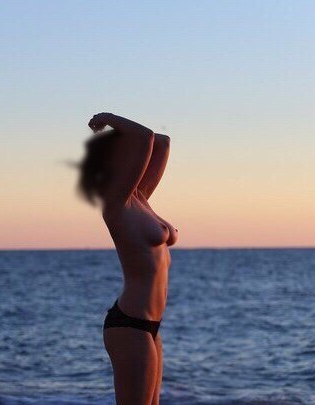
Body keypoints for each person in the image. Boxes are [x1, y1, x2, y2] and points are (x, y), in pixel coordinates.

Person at [77, 113, 178, 405]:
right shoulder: (115, 205)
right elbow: (145, 137)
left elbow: (161, 142)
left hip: (150, 326)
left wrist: (120, 134)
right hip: (130, 325)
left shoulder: (141, 199)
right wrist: (106, 118)